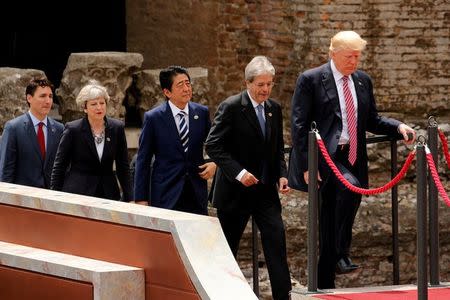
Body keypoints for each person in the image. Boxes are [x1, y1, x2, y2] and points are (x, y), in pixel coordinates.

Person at [288, 31, 416, 289]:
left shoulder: (362, 81)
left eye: (357, 57)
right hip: (325, 156)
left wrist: (398, 127)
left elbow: (372, 120)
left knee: (337, 209)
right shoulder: (311, 80)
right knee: (349, 188)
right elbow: (298, 125)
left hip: (354, 155)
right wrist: (305, 166)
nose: (354, 62)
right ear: (333, 53)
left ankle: (326, 279)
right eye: (349, 57)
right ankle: (341, 254)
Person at [205, 56, 292, 300]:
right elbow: (213, 145)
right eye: (260, 84)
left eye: (270, 84)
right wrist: (239, 173)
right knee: (227, 252)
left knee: (276, 242)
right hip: (234, 192)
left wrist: (282, 176)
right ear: (247, 83)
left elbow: (277, 148)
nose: (265, 89)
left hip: (264, 192)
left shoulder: (274, 108)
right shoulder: (232, 107)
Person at [134, 66, 216, 215]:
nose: (186, 88)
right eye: (180, 85)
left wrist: (213, 162)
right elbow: (143, 160)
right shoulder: (154, 118)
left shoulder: (201, 113)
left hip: (196, 192)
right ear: (167, 92)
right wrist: (141, 198)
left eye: (188, 83)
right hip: (166, 192)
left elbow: (214, 144)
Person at [50, 80, 131, 201]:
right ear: (85, 107)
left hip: (108, 193)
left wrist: (130, 196)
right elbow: (60, 166)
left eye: (102, 103)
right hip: (78, 193)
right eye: (94, 104)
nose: (99, 107)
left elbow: (123, 166)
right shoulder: (73, 129)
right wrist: (54, 196)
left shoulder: (116, 128)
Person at [0, 78, 64, 188]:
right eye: (43, 96)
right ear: (29, 98)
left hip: (52, 198)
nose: (48, 101)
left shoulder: (59, 129)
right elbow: (6, 172)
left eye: (50, 96)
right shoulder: (13, 128)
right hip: (22, 199)